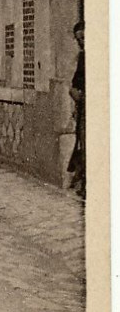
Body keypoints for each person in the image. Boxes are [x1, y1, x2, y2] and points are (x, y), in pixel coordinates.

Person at [67, 21, 85, 199]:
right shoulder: (82, 58)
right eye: (79, 39)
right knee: (83, 143)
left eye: (84, 38)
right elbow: (75, 83)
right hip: (84, 108)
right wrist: (73, 92)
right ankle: (85, 183)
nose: (82, 42)